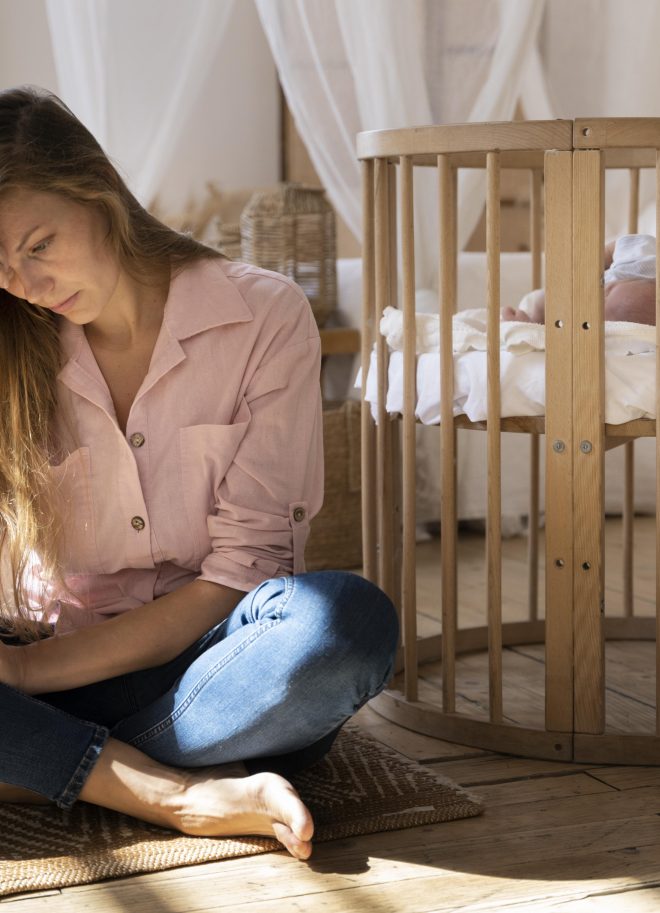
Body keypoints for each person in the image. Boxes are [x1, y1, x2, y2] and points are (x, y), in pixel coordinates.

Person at [0, 86, 398, 861]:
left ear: (98, 189)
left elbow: (241, 573)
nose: (24, 281)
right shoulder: (11, 345)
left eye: (38, 243)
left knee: (347, 625)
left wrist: (22, 675)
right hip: (53, 653)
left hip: (208, 673)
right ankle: (179, 792)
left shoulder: (264, 318)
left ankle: (43, 758)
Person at [501, 234, 657, 325]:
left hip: (575, 313)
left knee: (561, 316)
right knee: (544, 300)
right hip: (582, 280)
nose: (597, 300)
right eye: (608, 293)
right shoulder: (643, 259)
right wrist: (589, 266)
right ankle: (533, 318)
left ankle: (534, 327)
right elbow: (613, 248)